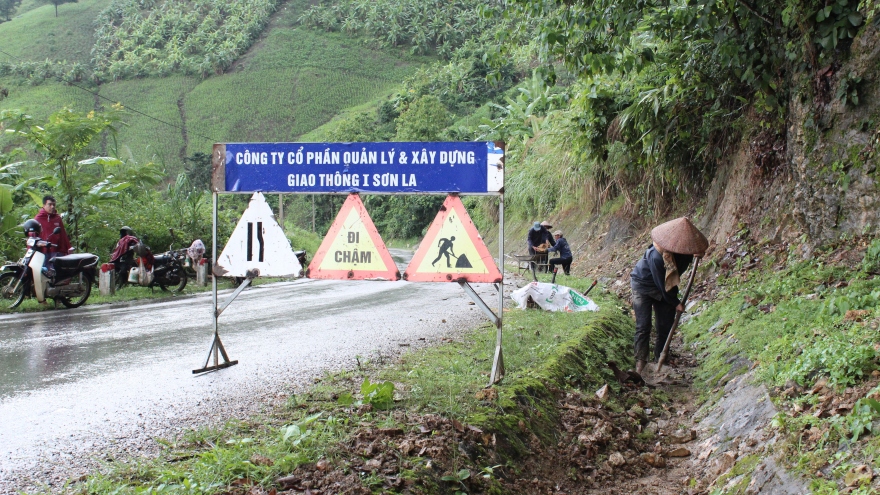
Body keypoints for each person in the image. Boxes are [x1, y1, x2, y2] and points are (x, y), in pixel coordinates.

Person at [629, 217, 707, 374]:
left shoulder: (685, 254)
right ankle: (641, 362)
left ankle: (660, 358)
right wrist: (675, 302)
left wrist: (697, 256)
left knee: (665, 325)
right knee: (644, 326)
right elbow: (662, 284)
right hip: (643, 286)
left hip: (666, 288)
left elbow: (673, 279)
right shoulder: (656, 255)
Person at [34, 195, 72, 268]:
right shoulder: (38, 219)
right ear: (44, 205)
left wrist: (67, 248)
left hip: (56, 250)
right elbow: (34, 236)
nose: (52, 207)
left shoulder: (57, 218)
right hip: (43, 251)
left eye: (54, 205)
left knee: (55, 273)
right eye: (50, 204)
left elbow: (63, 234)